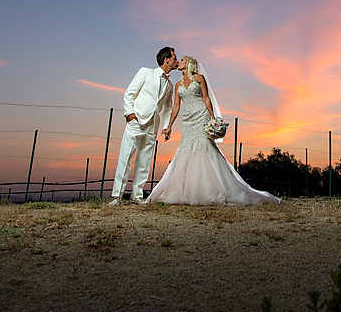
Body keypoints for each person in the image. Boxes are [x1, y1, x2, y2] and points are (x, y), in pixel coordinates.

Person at [148, 56, 280, 206]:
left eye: (183, 60)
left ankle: (217, 189)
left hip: (201, 116)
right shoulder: (178, 85)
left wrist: (213, 119)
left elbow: (206, 99)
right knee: (186, 149)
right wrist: (169, 126)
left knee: (206, 147)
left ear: (189, 64)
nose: (179, 62)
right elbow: (176, 107)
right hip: (187, 121)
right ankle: (188, 190)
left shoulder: (199, 79)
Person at [109, 47, 179, 205]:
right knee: (125, 157)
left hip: (152, 126)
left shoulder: (169, 85)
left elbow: (168, 108)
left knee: (144, 161)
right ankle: (116, 196)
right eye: (175, 57)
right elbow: (130, 93)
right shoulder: (145, 72)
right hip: (136, 121)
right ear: (166, 59)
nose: (177, 60)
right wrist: (129, 114)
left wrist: (167, 127)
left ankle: (137, 196)